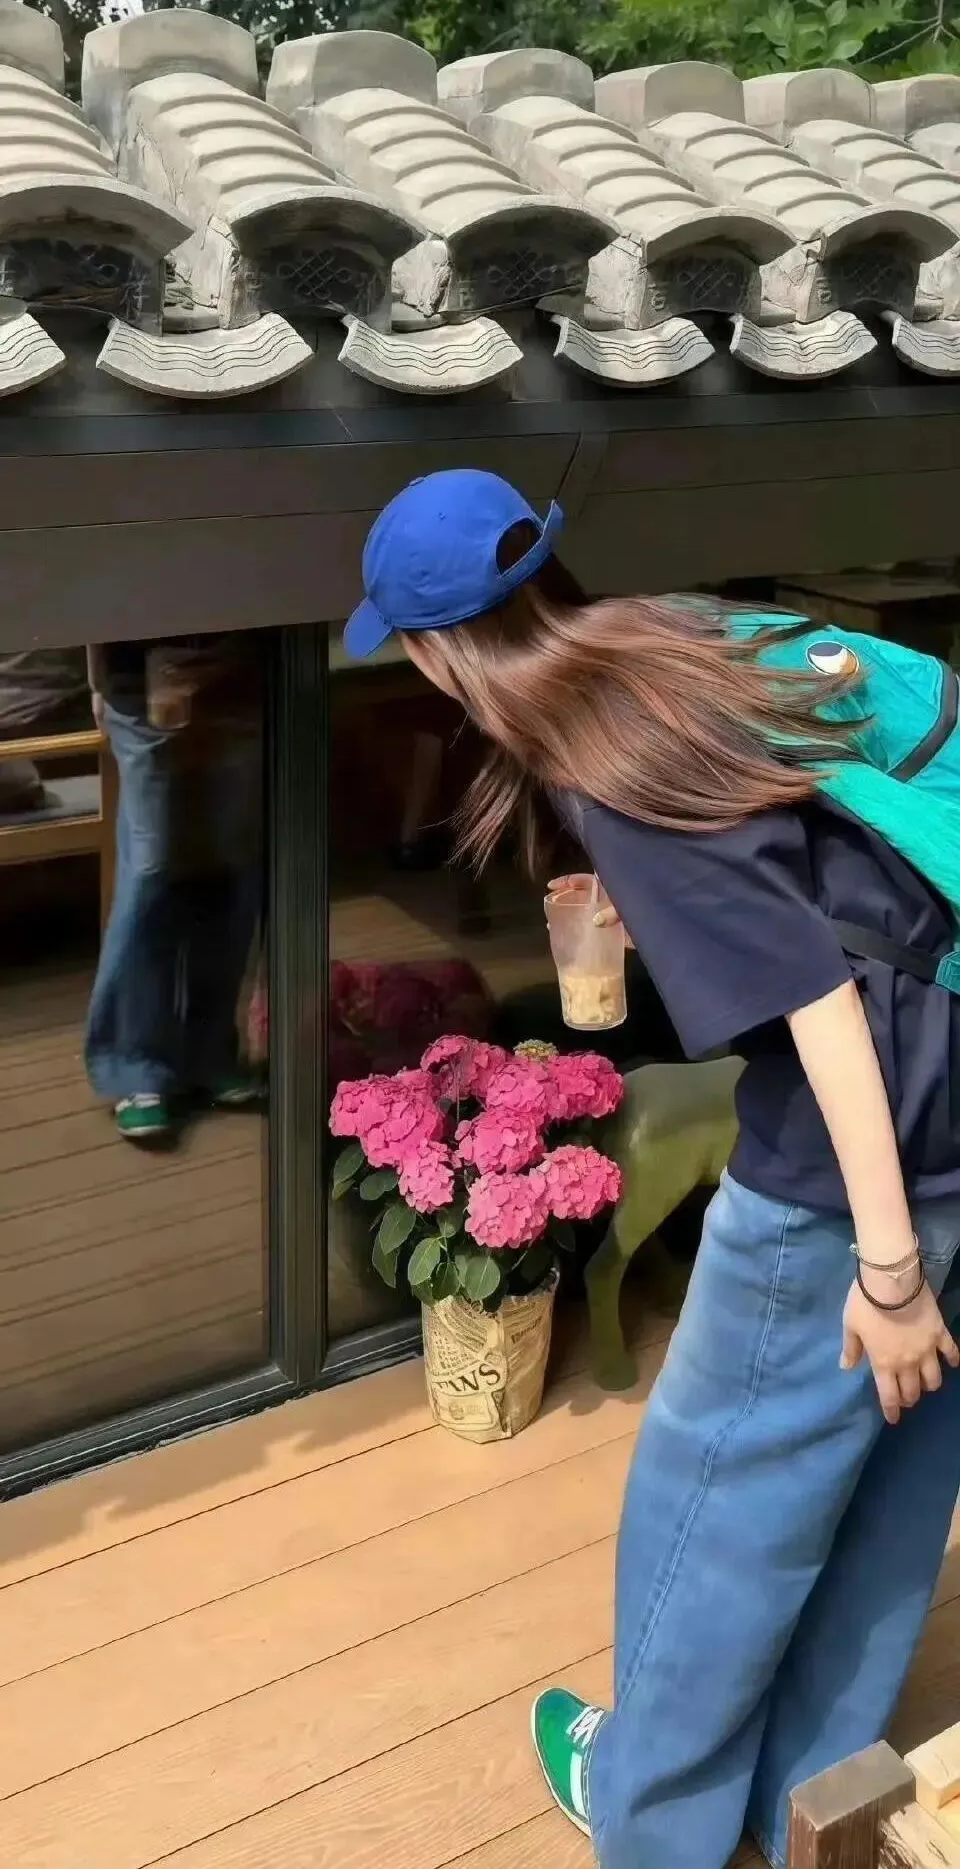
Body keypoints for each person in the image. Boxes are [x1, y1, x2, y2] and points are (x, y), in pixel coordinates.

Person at [342, 467, 960, 1869]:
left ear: (437, 655)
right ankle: (809, 1810)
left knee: (716, 1492)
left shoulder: (607, 757)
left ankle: (655, 1820)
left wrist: (887, 1269)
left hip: (864, 1159)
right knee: (895, 1481)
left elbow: (818, 1003)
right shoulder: (682, 639)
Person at [86, 637, 263, 1143]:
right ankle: (135, 1064)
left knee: (230, 864)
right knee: (152, 869)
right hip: (136, 678)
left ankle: (210, 1050)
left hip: (241, 672)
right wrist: (97, 679)